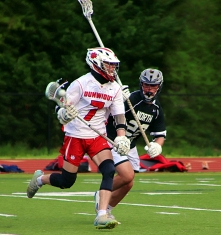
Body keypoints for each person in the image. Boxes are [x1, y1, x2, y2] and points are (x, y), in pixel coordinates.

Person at [26, 47, 130, 230]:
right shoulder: (81, 84)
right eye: (108, 65)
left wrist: (121, 138)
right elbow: (62, 108)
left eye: (114, 65)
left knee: (108, 170)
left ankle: (102, 215)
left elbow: (119, 117)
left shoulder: (115, 88)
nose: (112, 69)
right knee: (67, 181)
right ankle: (41, 179)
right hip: (75, 136)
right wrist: (64, 114)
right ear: (96, 64)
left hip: (97, 136)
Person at [94, 68, 167, 221]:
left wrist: (157, 146)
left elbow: (160, 134)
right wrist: (118, 98)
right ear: (141, 84)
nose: (149, 89)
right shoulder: (130, 99)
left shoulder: (156, 109)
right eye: (146, 85)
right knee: (127, 175)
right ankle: (102, 193)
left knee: (128, 183)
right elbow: (107, 110)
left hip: (131, 146)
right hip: (114, 140)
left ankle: (107, 209)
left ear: (159, 87)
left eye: (153, 86)